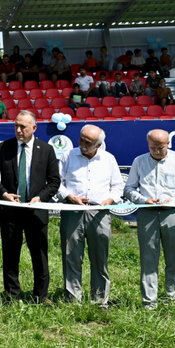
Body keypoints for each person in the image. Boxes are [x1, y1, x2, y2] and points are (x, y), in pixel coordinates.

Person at [0, 111, 61, 302]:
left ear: (34, 128)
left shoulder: (46, 149)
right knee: (10, 255)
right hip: (10, 211)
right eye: (16, 125)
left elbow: (54, 181)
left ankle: (40, 296)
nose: (18, 130)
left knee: (39, 256)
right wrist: (4, 194)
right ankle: (12, 295)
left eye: (23, 126)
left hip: (36, 211)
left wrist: (40, 197)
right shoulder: (4, 148)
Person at [124, 129, 175, 309]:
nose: (156, 151)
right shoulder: (139, 161)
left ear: (168, 144)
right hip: (147, 213)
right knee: (148, 258)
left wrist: (174, 200)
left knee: (174, 258)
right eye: (153, 147)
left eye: (161, 147)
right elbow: (129, 189)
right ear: (148, 144)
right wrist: (143, 200)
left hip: (173, 213)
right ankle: (149, 301)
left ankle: (172, 299)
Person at [57, 125, 123, 307]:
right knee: (71, 256)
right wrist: (69, 196)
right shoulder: (68, 156)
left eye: (88, 142)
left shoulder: (108, 159)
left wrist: (110, 200)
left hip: (99, 213)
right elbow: (57, 182)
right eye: (81, 139)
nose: (82, 144)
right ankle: (73, 300)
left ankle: (100, 300)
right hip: (72, 210)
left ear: (98, 145)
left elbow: (118, 186)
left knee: (100, 258)